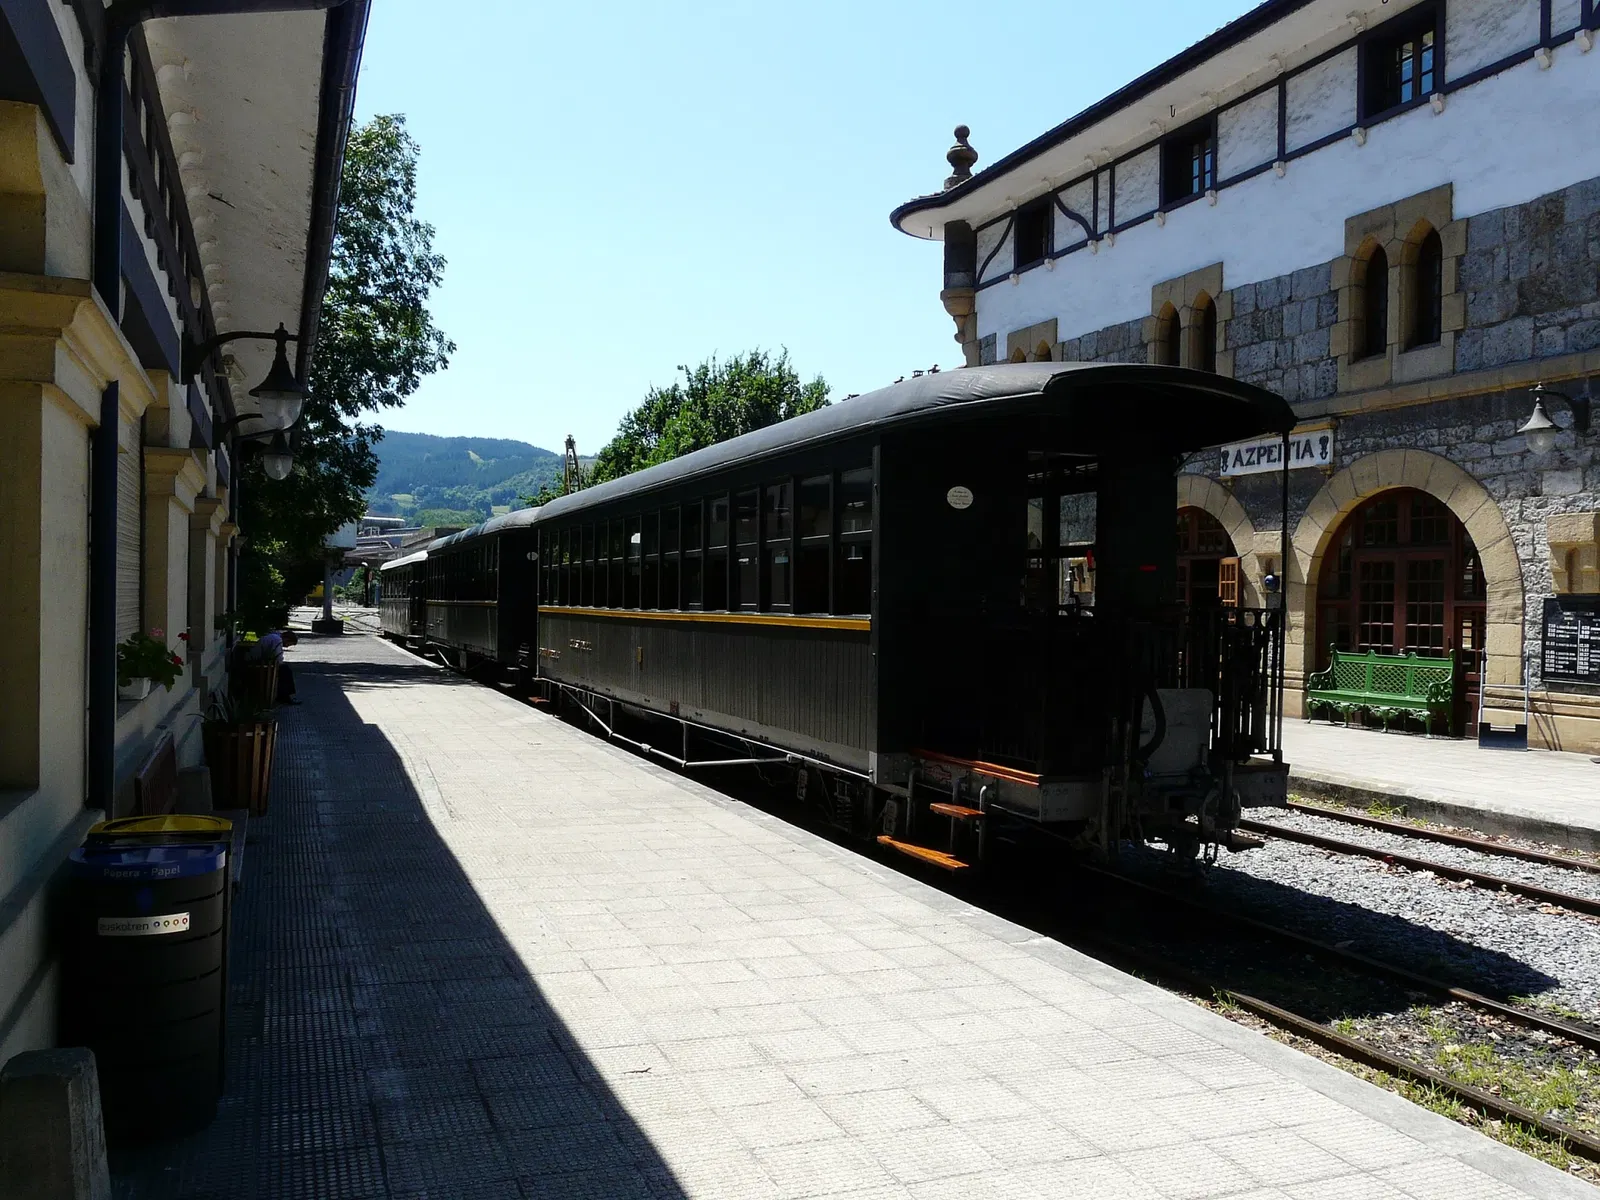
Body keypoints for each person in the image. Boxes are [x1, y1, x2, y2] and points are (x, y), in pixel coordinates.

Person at [250, 628, 301, 704]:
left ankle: (284, 695)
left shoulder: (275, 637)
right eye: (289, 644)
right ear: (286, 639)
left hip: (257, 659)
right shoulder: (277, 640)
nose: (287, 646)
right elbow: (278, 657)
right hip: (255, 661)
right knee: (285, 671)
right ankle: (284, 696)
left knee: (284, 670)